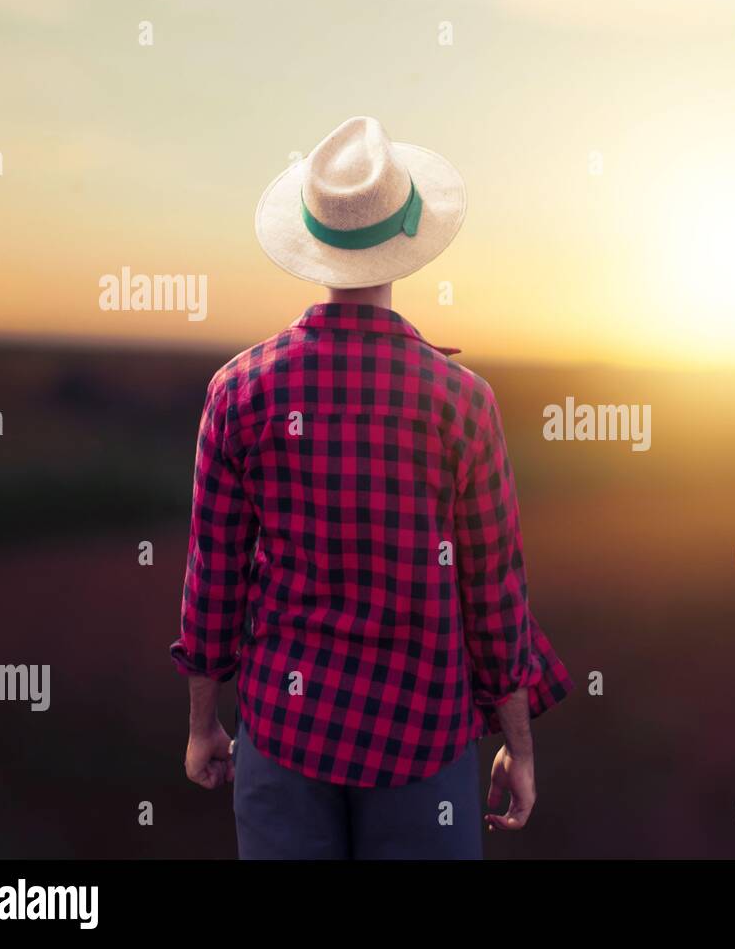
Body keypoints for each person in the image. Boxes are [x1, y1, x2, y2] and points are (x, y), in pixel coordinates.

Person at [168, 116, 571, 859]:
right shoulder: (462, 402)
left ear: (313, 241)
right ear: (406, 245)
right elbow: (493, 594)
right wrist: (519, 744)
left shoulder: (238, 390)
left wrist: (202, 724)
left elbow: (213, 576)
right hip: (424, 742)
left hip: (284, 736)